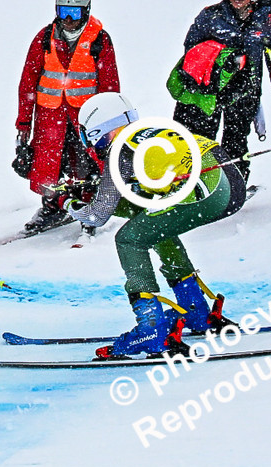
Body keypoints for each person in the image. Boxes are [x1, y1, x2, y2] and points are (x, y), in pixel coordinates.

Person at [66, 93, 249, 358]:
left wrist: (67, 203)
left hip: (211, 190)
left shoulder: (119, 151)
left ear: (98, 131)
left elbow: (97, 216)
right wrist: (100, 195)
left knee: (128, 240)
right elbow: (138, 201)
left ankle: (151, 329)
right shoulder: (147, 133)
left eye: (88, 137)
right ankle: (195, 309)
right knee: (152, 225)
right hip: (228, 181)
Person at [172, 0, 271, 180]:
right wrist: (218, 61)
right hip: (209, 92)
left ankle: (234, 184)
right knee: (199, 141)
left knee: (236, 143)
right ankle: (194, 182)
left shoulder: (269, 22)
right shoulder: (211, 16)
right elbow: (191, 51)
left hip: (244, 93)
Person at [14, 0, 122, 236]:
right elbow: (28, 81)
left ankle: (88, 207)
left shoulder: (99, 40)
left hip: (85, 117)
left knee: (87, 163)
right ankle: (53, 207)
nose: (69, 19)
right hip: (50, 116)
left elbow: (109, 84)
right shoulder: (44, 38)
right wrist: (23, 123)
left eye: (74, 13)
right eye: (64, 12)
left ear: (86, 11)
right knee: (50, 165)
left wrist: (110, 124)